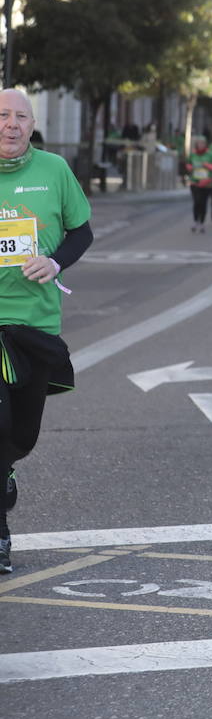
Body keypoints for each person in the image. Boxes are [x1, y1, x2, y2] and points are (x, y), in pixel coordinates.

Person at [0, 88, 93, 575]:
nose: (11, 124)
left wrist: (55, 261)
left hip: (36, 323)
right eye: (2, 115)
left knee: (23, 431)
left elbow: (82, 231)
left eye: (20, 116)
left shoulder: (54, 171)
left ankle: (9, 463)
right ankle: (0, 533)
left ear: (32, 125)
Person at [186, 136, 212, 233]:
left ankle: (202, 222)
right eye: (199, 143)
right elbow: (188, 164)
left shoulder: (209, 155)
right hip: (195, 182)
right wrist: (189, 167)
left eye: (202, 143)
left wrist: (208, 166)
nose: (201, 145)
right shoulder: (193, 154)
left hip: (206, 183)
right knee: (196, 202)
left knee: (203, 203)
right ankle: (195, 221)